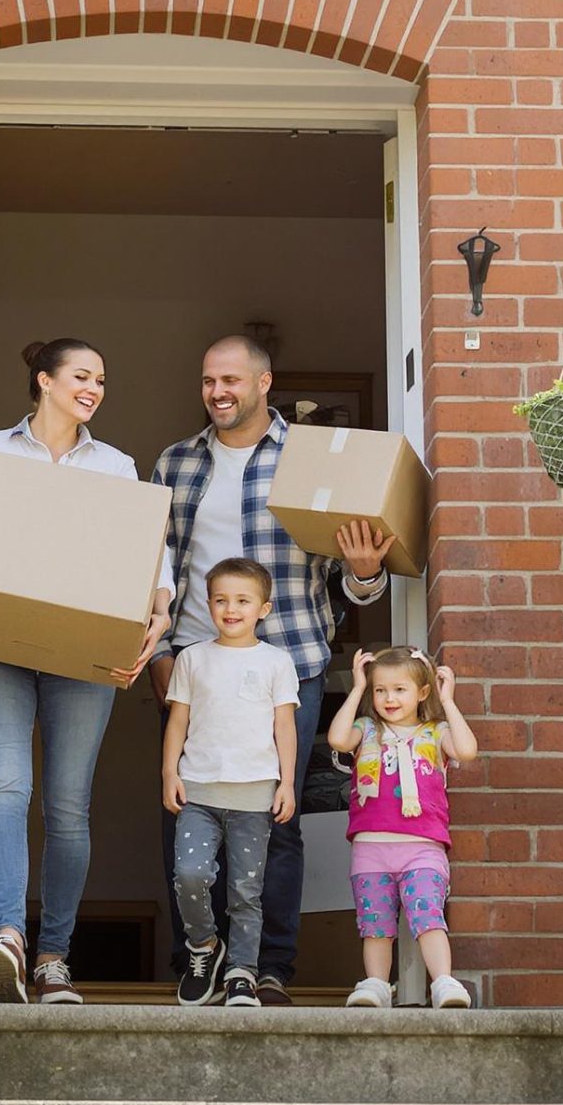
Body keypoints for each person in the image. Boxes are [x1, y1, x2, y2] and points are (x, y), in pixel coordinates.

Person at [0, 337, 173, 1006]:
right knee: (6, 785)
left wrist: (159, 614)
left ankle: (55, 958)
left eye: (101, 379)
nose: (93, 388)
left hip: (82, 648)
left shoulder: (116, 464)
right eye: (81, 376)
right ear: (44, 381)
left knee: (67, 807)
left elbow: (147, 553)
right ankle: (7, 936)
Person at [147, 334, 396, 1005]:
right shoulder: (174, 464)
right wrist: (160, 658)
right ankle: (198, 955)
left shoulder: (309, 460)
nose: (218, 391)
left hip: (288, 663)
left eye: (230, 379)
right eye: (208, 380)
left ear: (264, 383)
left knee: (276, 816)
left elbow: (354, 576)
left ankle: (268, 965)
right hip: (193, 668)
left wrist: (367, 574)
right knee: (186, 812)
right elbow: (152, 571)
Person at [160, 557, 300, 1007]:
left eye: (242, 600)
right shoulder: (192, 658)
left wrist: (287, 783)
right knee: (190, 875)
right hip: (198, 791)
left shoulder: (277, 661)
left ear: (264, 608)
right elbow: (177, 720)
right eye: (221, 600)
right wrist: (169, 772)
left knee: (245, 892)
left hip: (254, 795)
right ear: (208, 605)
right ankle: (204, 947)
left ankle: (243, 971)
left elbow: (285, 728)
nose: (231, 608)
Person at [325, 646, 481, 1009]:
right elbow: (336, 738)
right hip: (371, 846)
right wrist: (356, 689)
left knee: (428, 914)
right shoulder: (365, 730)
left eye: (399, 689)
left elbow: (467, 750)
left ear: (422, 692)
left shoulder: (435, 732)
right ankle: (377, 984)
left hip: (422, 846)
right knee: (375, 924)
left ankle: (443, 981)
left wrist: (448, 702)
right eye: (380, 690)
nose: (389, 698)